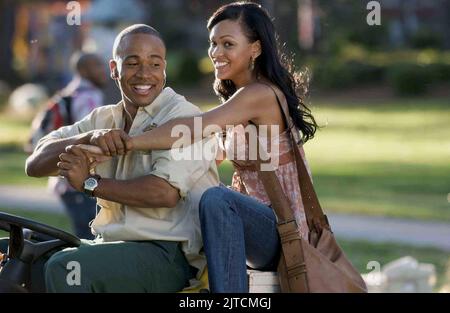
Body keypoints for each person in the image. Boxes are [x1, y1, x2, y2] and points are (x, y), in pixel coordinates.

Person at [87, 2, 319, 293]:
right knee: (200, 194)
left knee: (216, 199)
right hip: (255, 224)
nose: (216, 53)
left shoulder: (259, 95)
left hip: (281, 230)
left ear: (255, 49)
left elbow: (192, 129)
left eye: (228, 44)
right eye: (213, 43)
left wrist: (128, 142)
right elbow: (206, 150)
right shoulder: (237, 101)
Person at [20, 24, 219, 292]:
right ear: (114, 69)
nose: (144, 74)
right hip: (109, 245)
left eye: (155, 64)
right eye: (133, 63)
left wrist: (90, 183)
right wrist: (87, 138)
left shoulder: (185, 117)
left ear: (164, 69)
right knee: (16, 252)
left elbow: (164, 193)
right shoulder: (103, 118)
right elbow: (34, 164)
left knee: (66, 268)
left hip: (168, 256)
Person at [40, 52, 107, 240]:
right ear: (82, 70)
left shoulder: (66, 95)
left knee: (83, 234)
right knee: (89, 238)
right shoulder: (89, 97)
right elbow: (90, 136)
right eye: (97, 66)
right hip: (81, 179)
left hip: (62, 178)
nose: (104, 71)